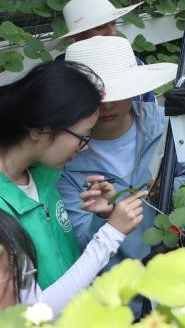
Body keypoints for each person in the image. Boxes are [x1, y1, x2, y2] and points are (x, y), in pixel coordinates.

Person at [0, 61, 145, 313]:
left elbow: (69, 264)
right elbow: (36, 310)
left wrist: (103, 218)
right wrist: (109, 236)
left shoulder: (43, 178)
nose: (85, 147)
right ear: (40, 129)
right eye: (83, 135)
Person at [57, 36, 185, 269]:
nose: (107, 105)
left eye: (116, 93)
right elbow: (82, 247)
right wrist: (104, 218)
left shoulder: (167, 126)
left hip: (182, 269)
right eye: (96, 97)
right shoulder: (65, 158)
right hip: (118, 285)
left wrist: (170, 188)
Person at [56, 0, 156, 103]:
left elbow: (150, 107)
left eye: (113, 23)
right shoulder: (58, 76)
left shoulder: (133, 63)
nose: (111, 32)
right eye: (100, 27)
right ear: (76, 35)